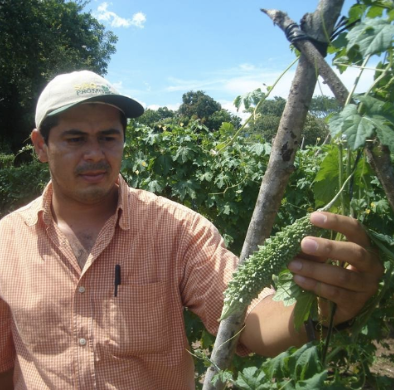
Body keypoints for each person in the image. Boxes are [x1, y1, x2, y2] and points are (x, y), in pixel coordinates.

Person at [0, 70, 383, 389]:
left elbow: (247, 316)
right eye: (75, 139)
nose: (95, 154)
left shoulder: (177, 229)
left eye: (108, 137)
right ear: (40, 145)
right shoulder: (6, 241)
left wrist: (321, 308)